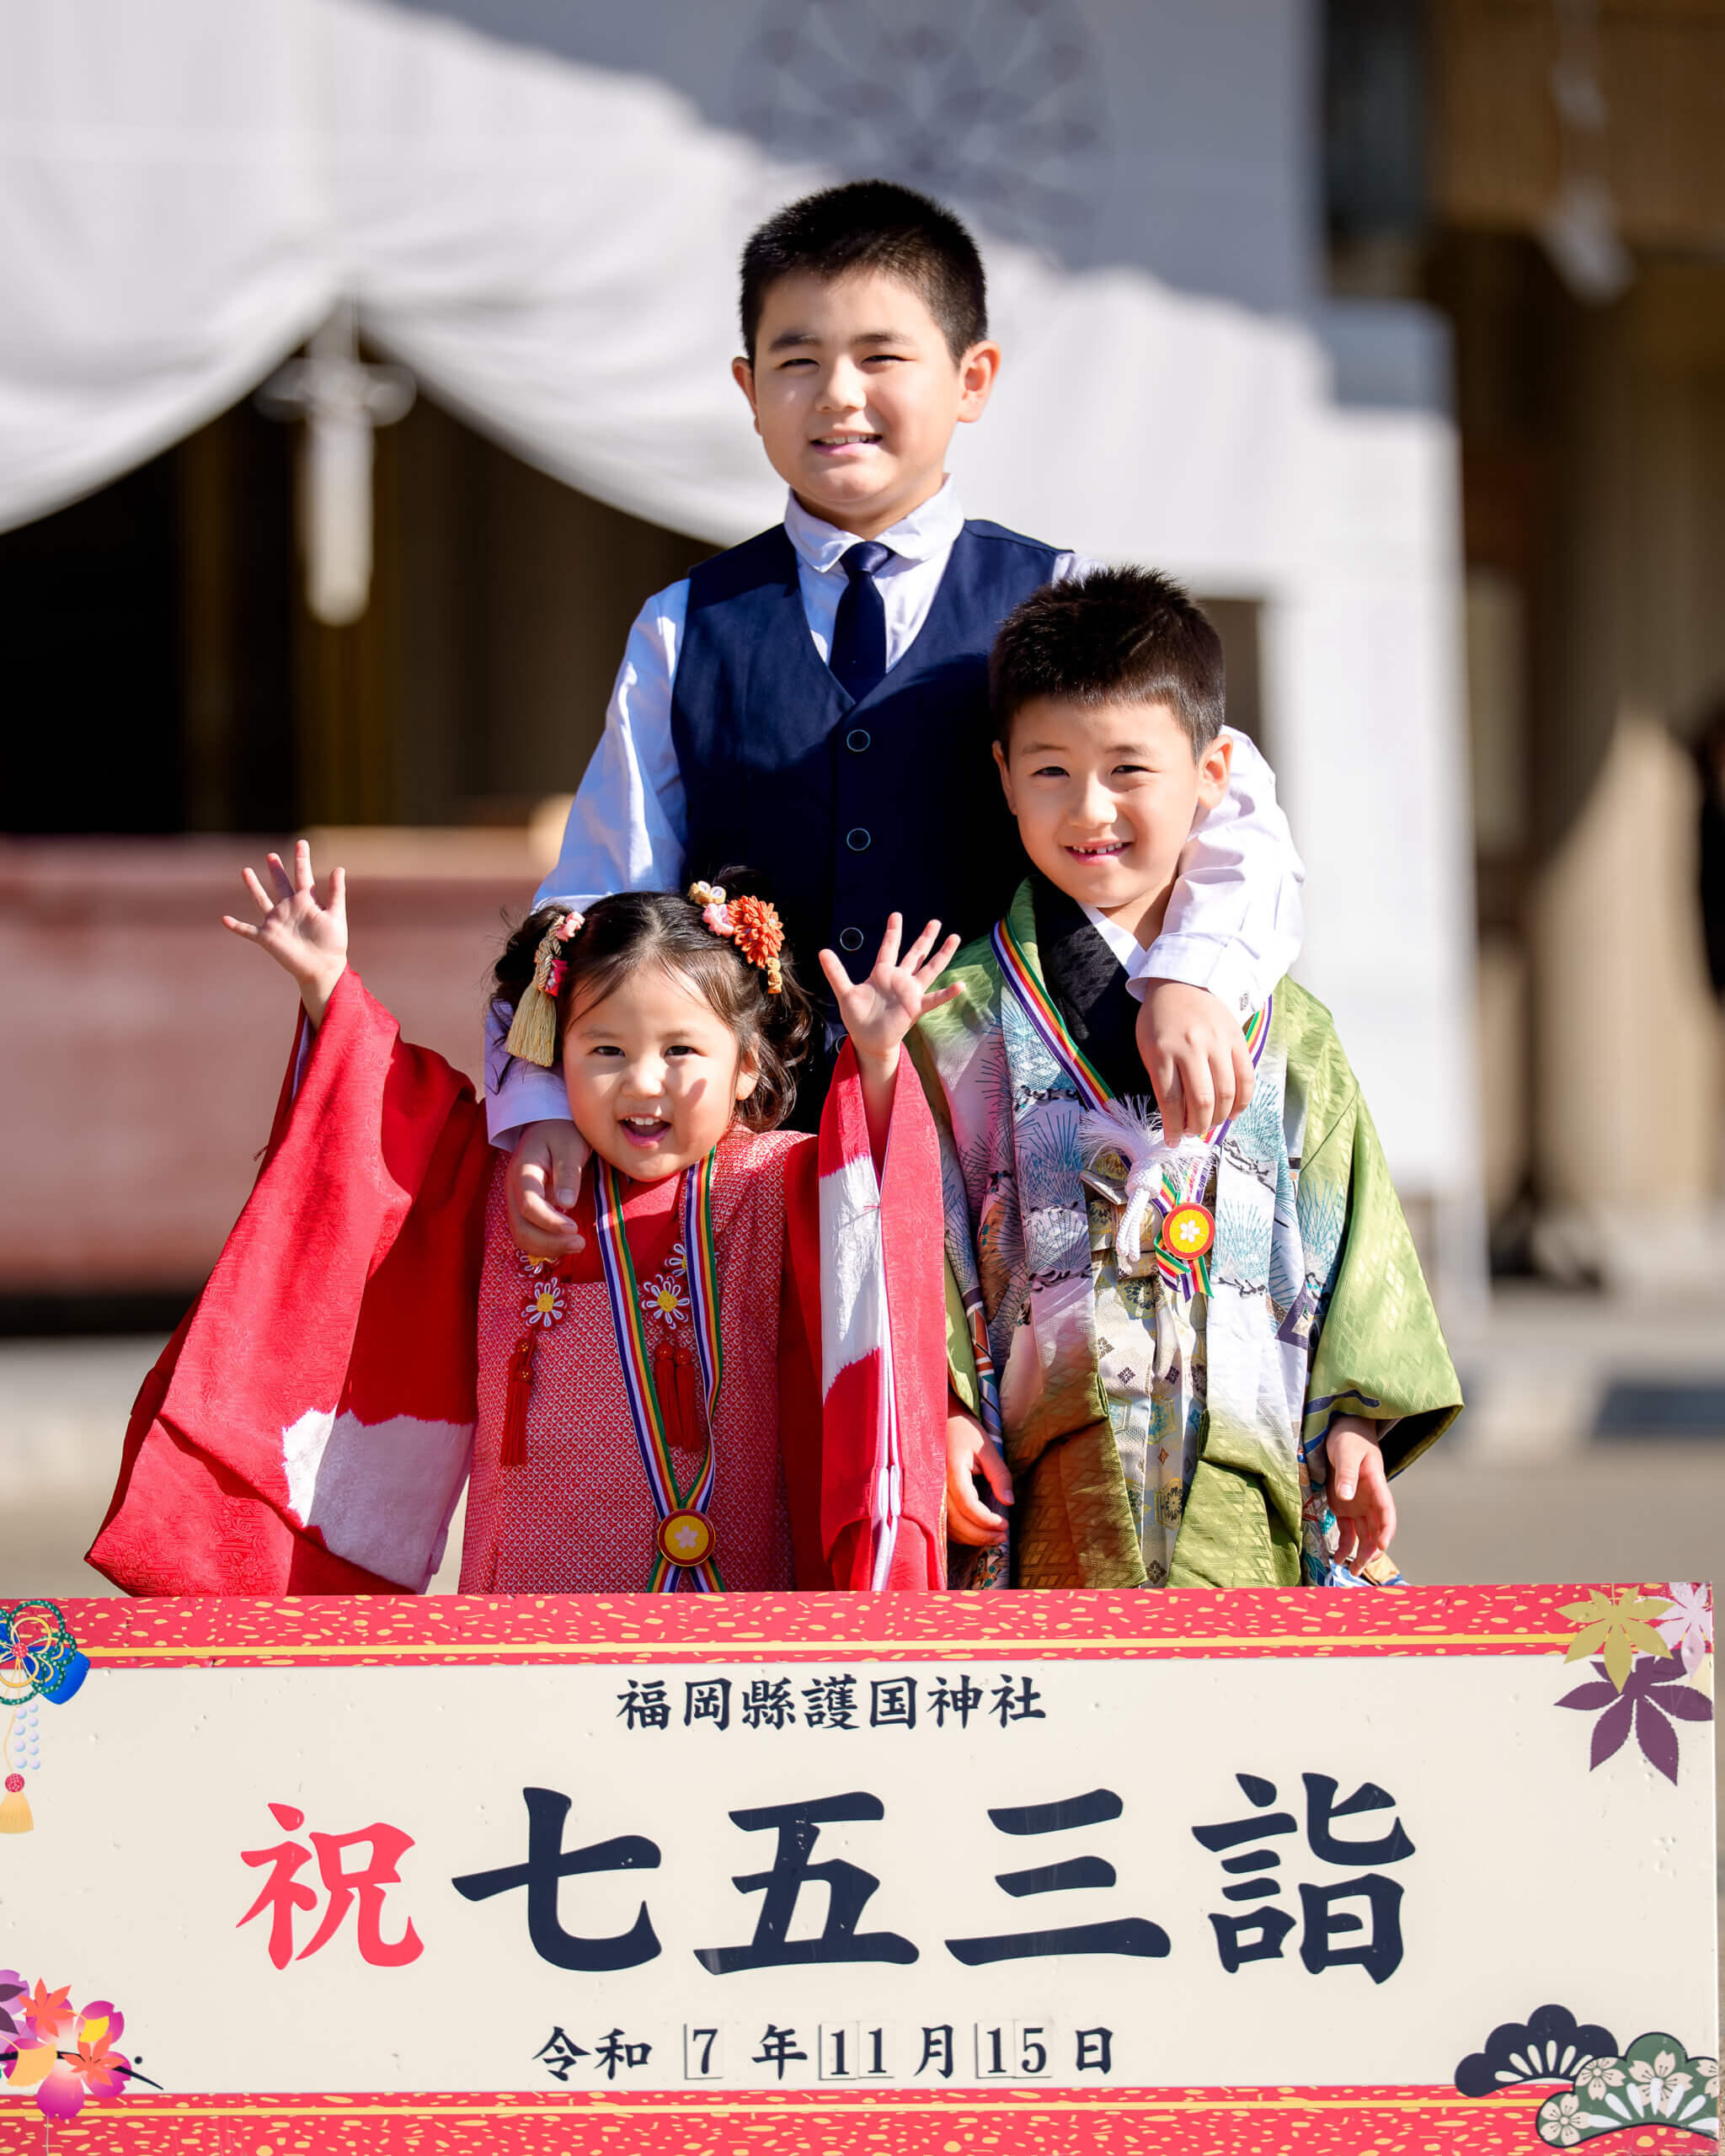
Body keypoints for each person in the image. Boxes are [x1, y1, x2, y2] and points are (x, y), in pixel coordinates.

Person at [495, 177, 1306, 1268]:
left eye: (881, 357)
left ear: (973, 379)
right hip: (757, 1165)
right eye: (796, 360)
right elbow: (603, 888)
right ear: (747, 388)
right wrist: (544, 1098)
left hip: (1022, 1156)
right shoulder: (686, 628)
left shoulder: (1061, 600)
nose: (837, 394)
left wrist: (1195, 975)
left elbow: (1227, 813)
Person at [88, 845, 959, 1598]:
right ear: (553, 1057)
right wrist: (327, 988)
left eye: (681, 1050)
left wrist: (877, 1062)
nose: (642, 1081)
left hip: (734, 1597)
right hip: (534, 1599)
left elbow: (873, 1219)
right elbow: (380, 1135)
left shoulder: (778, 1180)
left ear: (746, 1067)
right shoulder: (503, 1183)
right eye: (604, 1050)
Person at [915, 569, 1462, 1591]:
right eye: (1049, 771)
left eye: (1129, 769)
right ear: (1000, 773)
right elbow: (921, 1237)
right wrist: (939, 1408)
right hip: (1039, 1482)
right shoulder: (952, 1021)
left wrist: (1352, 1420)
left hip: (1249, 1478)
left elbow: (1351, 1236)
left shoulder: (1286, 1026)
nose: (1090, 809)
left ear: (1212, 773)